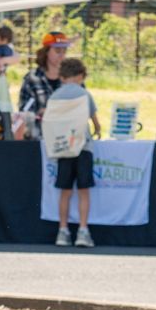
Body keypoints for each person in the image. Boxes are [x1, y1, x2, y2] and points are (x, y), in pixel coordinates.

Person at [46, 57, 100, 248]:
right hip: (82, 147)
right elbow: (93, 118)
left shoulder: (55, 95)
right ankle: (83, 231)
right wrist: (98, 130)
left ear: (62, 76)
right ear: (80, 75)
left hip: (63, 148)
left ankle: (63, 230)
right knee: (84, 192)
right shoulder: (84, 94)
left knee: (65, 192)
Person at [17, 33, 68, 137]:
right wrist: (39, 114)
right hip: (39, 137)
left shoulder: (72, 78)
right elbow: (24, 111)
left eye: (64, 51)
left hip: (67, 139)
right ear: (46, 52)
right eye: (57, 51)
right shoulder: (32, 78)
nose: (62, 55)